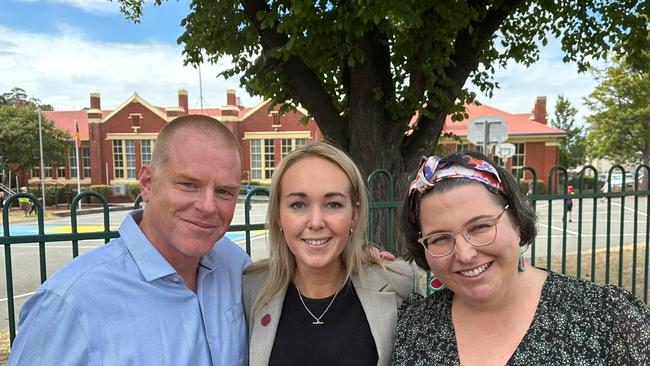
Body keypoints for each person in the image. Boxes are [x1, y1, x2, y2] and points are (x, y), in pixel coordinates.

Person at [9, 115, 252, 365]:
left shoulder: (236, 266)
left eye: (224, 191)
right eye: (188, 184)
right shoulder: (69, 305)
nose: (208, 206)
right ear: (147, 184)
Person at [391, 151, 650, 365]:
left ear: (516, 221)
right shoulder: (415, 325)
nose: (466, 254)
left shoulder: (605, 316)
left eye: (480, 227)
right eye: (439, 239)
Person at [243, 142, 424, 366]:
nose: (316, 222)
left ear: (354, 214)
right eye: (298, 205)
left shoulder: (399, 284)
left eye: (334, 204)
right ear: (278, 215)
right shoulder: (251, 290)